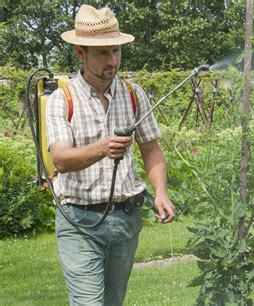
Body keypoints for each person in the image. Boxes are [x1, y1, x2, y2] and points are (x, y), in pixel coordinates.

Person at [45, 4, 175, 305]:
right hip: (79, 219)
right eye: (103, 53)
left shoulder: (133, 94)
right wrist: (104, 147)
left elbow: (151, 149)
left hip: (125, 219)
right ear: (81, 53)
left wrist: (161, 192)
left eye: (115, 51)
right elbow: (61, 159)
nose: (112, 60)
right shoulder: (61, 100)